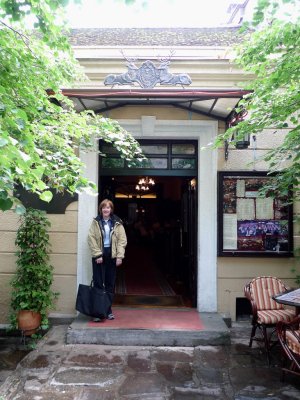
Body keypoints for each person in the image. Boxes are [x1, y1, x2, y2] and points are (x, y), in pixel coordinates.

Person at [88, 199, 127, 322]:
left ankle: (108, 310)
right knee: (98, 283)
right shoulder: (96, 222)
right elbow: (91, 238)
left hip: (112, 255)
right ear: (101, 209)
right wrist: (97, 255)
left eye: (108, 207)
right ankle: (98, 312)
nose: (106, 209)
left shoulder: (117, 223)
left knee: (110, 284)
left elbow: (122, 240)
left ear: (111, 210)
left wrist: (119, 256)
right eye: (104, 207)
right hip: (99, 256)